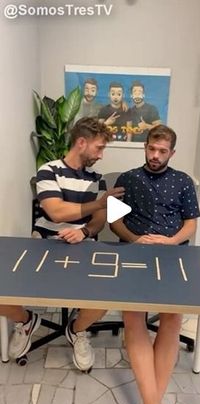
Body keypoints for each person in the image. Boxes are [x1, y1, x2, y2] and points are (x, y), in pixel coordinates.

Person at [110, 124, 200, 404]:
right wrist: (136, 240)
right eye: (152, 148)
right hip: (135, 252)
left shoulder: (184, 181)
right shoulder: (127, 179)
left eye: (162, 151)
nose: (156, 155)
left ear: (172, 152)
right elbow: (114, 223)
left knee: (172, 317)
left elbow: (190, 223)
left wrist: (171, 241)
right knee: (133, 315)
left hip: (173, 254)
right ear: (144, 146)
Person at [33, 117, 124, 371]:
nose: (102, 155)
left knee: (106, 295)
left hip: (83, 247)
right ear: (81, 143)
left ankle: (76, 330)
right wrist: (99, 202)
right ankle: (27, 322)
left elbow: (99, 221)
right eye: (99, 147)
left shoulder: (98, 178)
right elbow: (57, 213)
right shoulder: (48, 170)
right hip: (45, 245)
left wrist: (84, 231)